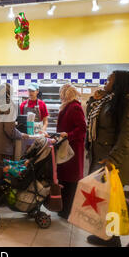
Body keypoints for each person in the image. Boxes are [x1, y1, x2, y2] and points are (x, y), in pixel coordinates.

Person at [86, 70, 129, 247]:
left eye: (109, 80)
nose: (106, 83)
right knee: (109, 199)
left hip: (115, 159)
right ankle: (111, 237)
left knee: (116, 200)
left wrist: (113, 159)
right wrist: (94, 100)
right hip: (103, 156)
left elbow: (128, 136)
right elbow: (93, 119)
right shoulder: (112, 100)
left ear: (119, 83)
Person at [55, 83, 87, 219]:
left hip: (72, 150)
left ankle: (67, 210)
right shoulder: (69, 106)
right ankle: (64, 209)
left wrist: (68, 135)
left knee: (70, 180)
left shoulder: (74, 107)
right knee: (65, 179)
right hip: (67, 149)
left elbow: (82, 129)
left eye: (62, 93)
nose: (60, 96)